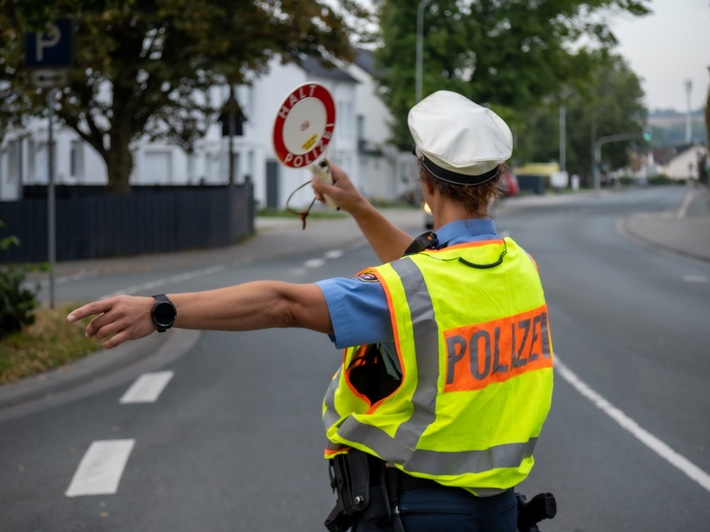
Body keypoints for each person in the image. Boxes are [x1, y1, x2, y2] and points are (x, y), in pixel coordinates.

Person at [68, 90, 554, 532]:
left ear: (426, 182)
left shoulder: (412, 288)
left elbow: (283, 305)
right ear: (495, 182)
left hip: (418, 512)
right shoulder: (520, 268)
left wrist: (160, 309)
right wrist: (358, 204)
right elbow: (427, 267)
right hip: (500, 512)